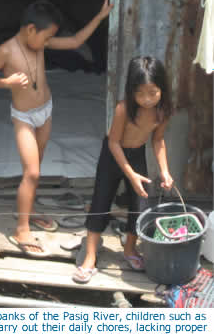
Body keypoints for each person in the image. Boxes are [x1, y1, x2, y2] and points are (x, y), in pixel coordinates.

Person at [0, 0, 113, 257]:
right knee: (31, 173)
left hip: (46, 111)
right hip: (24, 117)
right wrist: (6, 83)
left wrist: (100, 15)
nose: (47, 42)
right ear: (31, 29)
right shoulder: (6, 51)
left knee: (36, 169)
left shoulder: (39, 43)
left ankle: (29, 211)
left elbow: (75, 42)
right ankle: (21, 229)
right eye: (46, 36)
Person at [72, 56, 174, 283]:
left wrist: (165, 171)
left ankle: (130, 249)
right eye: (140, 93)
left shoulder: (163, 111)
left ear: (162, 89)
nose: (146, 99)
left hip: (137, 154)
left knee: (140, 204)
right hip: (113, 155)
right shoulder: (124, 109)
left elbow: (158, 141)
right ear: (131, 91)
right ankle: (89, 257)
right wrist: (130, 174)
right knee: (100, 203)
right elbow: (113, 143)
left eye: (153, 92)